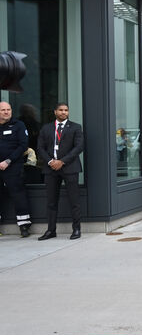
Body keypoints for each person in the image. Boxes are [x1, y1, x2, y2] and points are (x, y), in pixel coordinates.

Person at [36, 102, 84, 240]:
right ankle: (51, 230)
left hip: (69, 167)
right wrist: (51, 162)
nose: (64, 112)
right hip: (50, 168)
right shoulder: (46, 128)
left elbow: (78, 147)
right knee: (51, 201)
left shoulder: (75, 127)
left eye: (66, 110)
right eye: (61, 110)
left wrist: (62, 161)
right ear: (55, 112)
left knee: (74, 200)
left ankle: (76, 229)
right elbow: (40, 148)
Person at [0, 101, 32, 237]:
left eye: (8, 109)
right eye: (3, 110)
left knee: (18, 195)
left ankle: (24, 226)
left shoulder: (18, 125)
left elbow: (23, 145)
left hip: (13, 166)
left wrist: (8, 161)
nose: (6, 112)